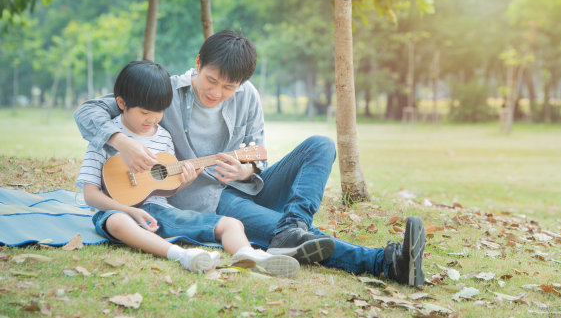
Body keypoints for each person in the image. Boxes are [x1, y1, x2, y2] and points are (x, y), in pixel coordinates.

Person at [74, 30, 425, 286]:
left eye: (229, 88)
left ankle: (293, 227)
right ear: (198, 63)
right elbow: (88, 111)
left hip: (246, 187)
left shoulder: (248, 96)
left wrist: (246, 170)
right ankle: (385, 262)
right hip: (207, 198)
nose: (217, 93)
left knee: (320, 144)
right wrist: (123, 142)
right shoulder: (163, 91)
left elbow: (259, 154)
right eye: (211, 80)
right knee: (285, 233)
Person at [76, 60, 299, 278]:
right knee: (117, 221)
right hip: (118, 211)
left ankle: (248, 255)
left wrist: (186, 181)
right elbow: (90, 195)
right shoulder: (106, 138)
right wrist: (131, 211)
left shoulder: (162, 136)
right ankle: (181, 255)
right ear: (122, 104)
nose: (152, 119)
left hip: (161, 212)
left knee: (232, 223)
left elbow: (164, 188)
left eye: (159, 112)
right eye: (145, 113)